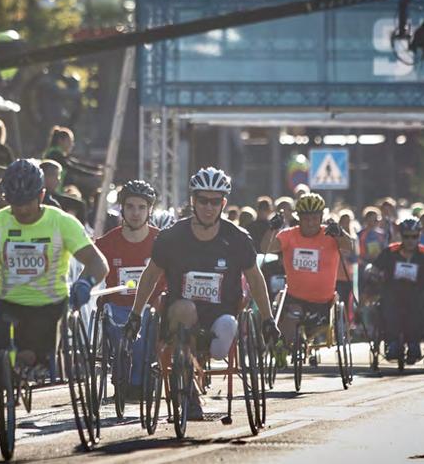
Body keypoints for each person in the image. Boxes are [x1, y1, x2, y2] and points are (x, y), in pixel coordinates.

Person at [123, 167, 280, 418]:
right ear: (193, 201)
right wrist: (135, 315)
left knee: (227, 328)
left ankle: (197, 363)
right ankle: (186, 386)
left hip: (220, 317)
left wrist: (267, 319)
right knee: (185, 308)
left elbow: (255, 279)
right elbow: (150, 276)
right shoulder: (172, 237)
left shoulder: (237, 238)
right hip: (181, 316)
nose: (209, 207)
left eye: (215, 201)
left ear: (223, 203)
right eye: (203, 200)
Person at [0, 158, 108, 376]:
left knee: (34, 351)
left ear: (41, 195)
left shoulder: (62, 222)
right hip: (7, 304)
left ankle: (27, 359)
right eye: (15, 202)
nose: (22, 209)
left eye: (27, 201)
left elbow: (98, 263)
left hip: (50, 306)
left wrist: (86, 283)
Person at [94, 180, 165, 392]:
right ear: (122, 209)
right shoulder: (106, 243)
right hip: (118, 308)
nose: (136, 213)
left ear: (150, 210)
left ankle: (139, 378)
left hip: (153, 309)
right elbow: (90, 271)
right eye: (130, 207)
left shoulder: (161, 240)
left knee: (146, 325)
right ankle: (124, 370)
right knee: (118, 323)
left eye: (142, 207)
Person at [260, 193, 354, 346]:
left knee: (307, 319)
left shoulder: (330, 235)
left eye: (315, 219)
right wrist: (272, 229)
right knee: (287, 326)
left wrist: (341, 233)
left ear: (322, 217)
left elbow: (350, 246)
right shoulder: (288, 235)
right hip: (295, 298)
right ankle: (283, 347)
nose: (310, 223)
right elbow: (265, 248)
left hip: (324, 301)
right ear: (299, 218)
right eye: (306, 219)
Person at [371, 218, 424, 363]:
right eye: (406, 236)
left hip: (417, 293)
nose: (410, 240)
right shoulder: (390, 251)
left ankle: (414, 344)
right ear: (401, 236)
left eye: (414, 236)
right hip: (393, 292)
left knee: (418, 305)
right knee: (388, 305)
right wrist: (371, 272)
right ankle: (393, 343)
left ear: (419, 236)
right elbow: (375, 267)